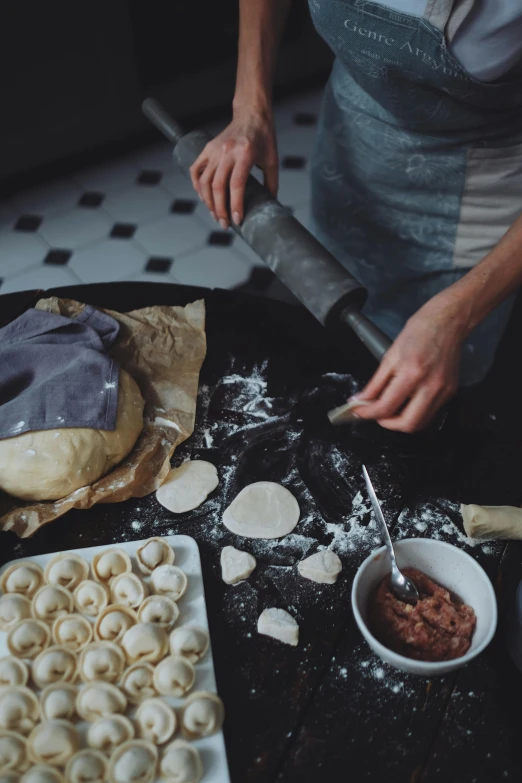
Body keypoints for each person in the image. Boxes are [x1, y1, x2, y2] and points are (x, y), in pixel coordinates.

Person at [190, 1, 522, 433]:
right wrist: (249, 105)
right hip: (352, 147)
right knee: (323, 346)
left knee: (435, 417)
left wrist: (457, 315)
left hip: (473, 203)